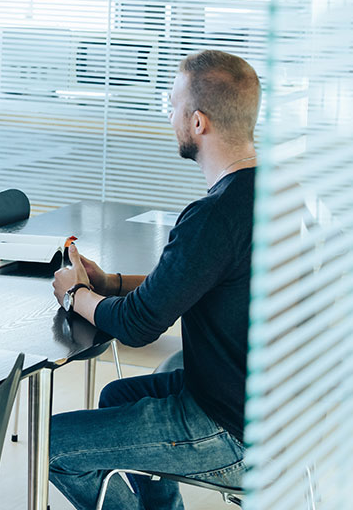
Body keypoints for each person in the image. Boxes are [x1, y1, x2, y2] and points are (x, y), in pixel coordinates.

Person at [48, 50, 258, 509]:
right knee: (118, 395)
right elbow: (210, 278)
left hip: (229, 431)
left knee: (53, 446)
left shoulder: (214, 216)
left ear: (198, 122)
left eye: (173, 103)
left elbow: (139, 328)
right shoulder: (273, 195)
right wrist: (114, 283)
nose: (169, 114)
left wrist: (76, 294)